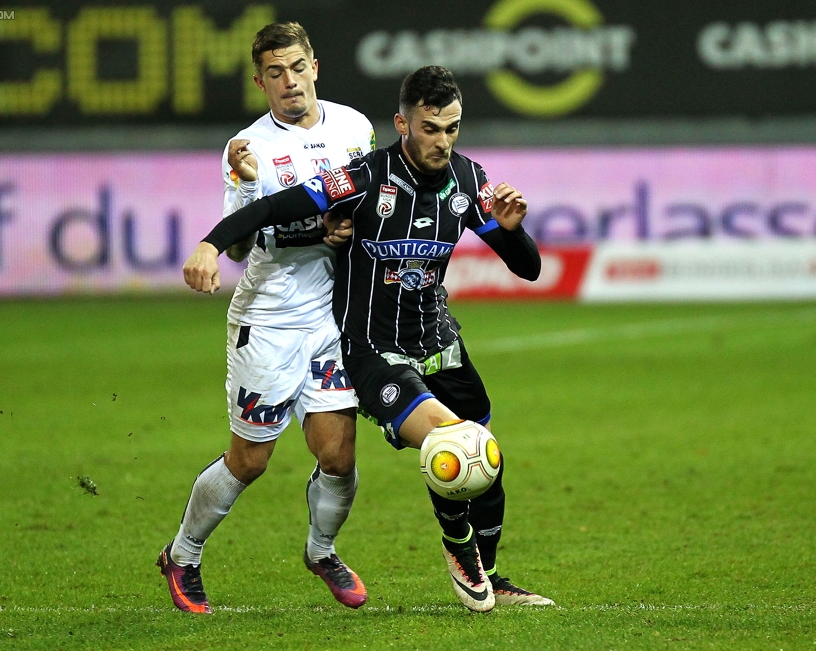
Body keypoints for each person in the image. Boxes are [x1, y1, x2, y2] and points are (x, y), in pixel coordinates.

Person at [184, 66, 555, 613]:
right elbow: (272, 207)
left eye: (452, 128)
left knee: (488, 462)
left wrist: (512, 228)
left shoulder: (471, 183)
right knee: (453, 442)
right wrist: (211, 245)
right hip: (374, 352)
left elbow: (528, 270)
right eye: (431, 128)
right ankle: (459, 553)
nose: (443, 141)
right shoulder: (360, 180)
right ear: (403, 125)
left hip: (440, 344)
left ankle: (495, 576)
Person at [158, 22, 374, 614]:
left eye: (297, 67)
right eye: (274, 72)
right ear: (260, 82)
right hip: (270, 318)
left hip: (330, 319)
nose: (289, 81)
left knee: (339, 454)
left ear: (315, 67)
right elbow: (236, 246)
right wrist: (300, 221)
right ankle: (182, 555)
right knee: (250, 460)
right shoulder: (247, 148)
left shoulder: (355, 128)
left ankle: (322, 550)